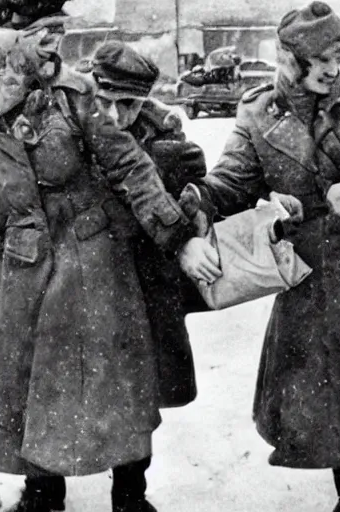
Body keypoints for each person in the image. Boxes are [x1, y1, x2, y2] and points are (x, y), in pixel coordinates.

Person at [0, 17, 199, 512]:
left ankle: (130, 494)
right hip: (24, 268)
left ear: (13, 80)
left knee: (114, 380)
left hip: (96, 260)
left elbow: (129, 164)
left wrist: (176, 235)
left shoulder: (71, 104)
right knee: (29, 383)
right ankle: (44, 494)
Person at [177, 2, 340, 511]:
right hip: (310, 268)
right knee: (323, 378)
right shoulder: (259, 113)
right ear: (291, 59)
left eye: (339, 57)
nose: (334, 71)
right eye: (322, 61)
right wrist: (199, 200)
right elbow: (233, 181)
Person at [90, 40, 209, 409]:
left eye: (128, 104)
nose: (114, 115)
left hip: (146, 271)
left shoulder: (162, 133)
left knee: (143, 388)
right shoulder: (73, 120)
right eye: (105, 100)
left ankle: (134, 469)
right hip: (91, 268)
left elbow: (194, 185)